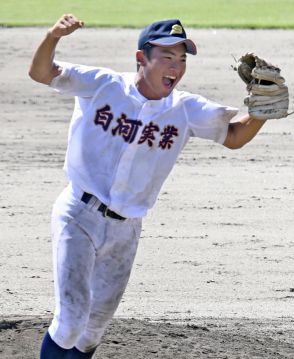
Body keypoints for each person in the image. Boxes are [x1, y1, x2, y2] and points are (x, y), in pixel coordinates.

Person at [29, 14, 267, 358]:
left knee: (92, 331)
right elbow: (41, 73)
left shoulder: (185, 109)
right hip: (78, 215)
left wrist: (261, 111)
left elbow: (233, 136)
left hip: (127, 230)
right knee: (70, 322)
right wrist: (53, 35)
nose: (176, 66)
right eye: (167, 57)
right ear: (142, 58)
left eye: (182, 58)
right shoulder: (103, 84)